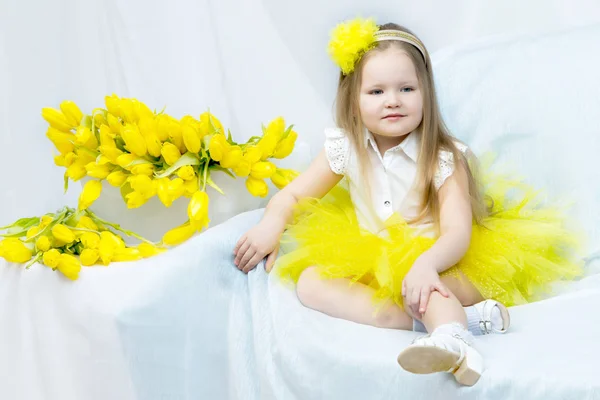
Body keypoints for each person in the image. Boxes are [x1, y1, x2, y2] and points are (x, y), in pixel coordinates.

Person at [232, 18, 582, 386]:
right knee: (310, 284)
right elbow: (294, 194)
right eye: (377, 92)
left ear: (425, 93)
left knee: (429, 289)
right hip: (376, 261)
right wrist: (272, 223)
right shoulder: (345, 148)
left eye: (406, 88)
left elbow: (457, 231)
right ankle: (469, 320)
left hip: (443, 260)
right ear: (353, 101)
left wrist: (425, 265)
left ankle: (455, 342)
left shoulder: (443, 156)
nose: (393, 101)